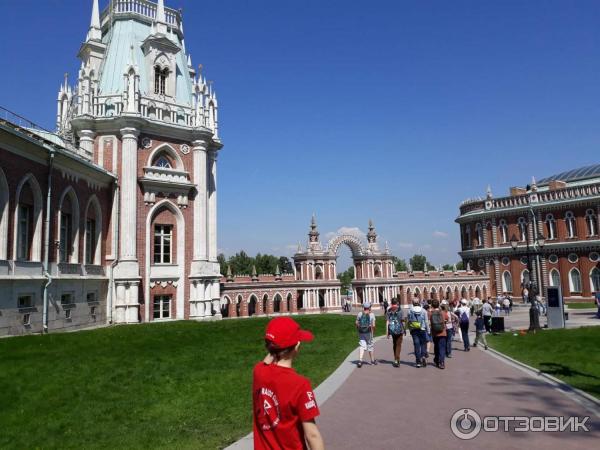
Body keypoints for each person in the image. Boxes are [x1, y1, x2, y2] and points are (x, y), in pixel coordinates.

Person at [253, 317, 325, 450]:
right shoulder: (300, 385)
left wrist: (273, 346)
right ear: (297, 346)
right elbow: (312, 435)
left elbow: (266, 361)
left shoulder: (258, 372)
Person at [407, 295, 429, 367]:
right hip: (422, 329)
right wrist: (428, 330)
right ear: (419, 302)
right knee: (423, 344)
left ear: (412, 303)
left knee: (416, 345)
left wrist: (410, 328)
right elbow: (426, 322)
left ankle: (418, 362)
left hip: (414, 330)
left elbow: (408, 321)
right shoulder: (423, 310)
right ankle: (423, 356)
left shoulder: (410, 310)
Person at [428, 299, 449, 369]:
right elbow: (448, 318)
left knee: (436, 347)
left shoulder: (430, 313)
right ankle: (442, 362)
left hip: (434, 333)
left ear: (432, 305)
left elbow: (428, 319)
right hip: (442, 332)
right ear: (439, 305)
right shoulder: (443, 312)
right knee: (442, 348)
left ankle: (437, 360)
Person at [356, 302, 376, 367]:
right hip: (369, 332)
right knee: (370, 345)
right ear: (369, 307)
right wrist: (373, 332)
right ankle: (372, 361)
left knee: (362, 345)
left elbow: (356, 322)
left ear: (363, 307)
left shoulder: (360, 314)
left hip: (361, 332)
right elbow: (373, 325)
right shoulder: (372, 314)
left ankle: (360, 361)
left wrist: (358, 328)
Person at [386, 299, 405, 367]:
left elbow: (387, 322)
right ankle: (397, 359)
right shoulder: (400, 310)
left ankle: (395, 359)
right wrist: (404, 329)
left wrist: (387, 332)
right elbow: (403, 321)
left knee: (394, 344)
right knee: (398, 345)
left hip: (392, 330)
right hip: (400, 330)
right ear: (397, 303)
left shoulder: (389, 310)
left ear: (391, 303)